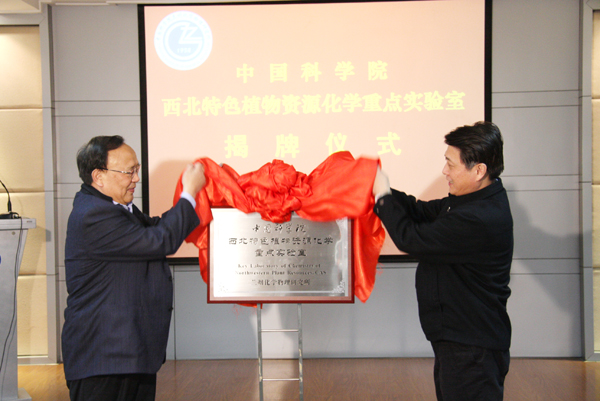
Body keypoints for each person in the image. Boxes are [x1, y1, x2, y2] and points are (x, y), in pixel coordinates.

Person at [372, 121, 513, 401]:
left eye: (450, 164)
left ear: (479, 170)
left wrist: (383, 198)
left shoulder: (479, 217)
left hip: (472, 346)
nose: (444, 171)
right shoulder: (471, 199)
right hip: (459, 341)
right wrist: (378, 189)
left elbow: (411, 239)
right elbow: (419, 210)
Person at [62, 135, 206, 401]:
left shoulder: (112, 207)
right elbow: (160, 240)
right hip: (104, 357)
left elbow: (155, 227)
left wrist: (198, 199)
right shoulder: (94, 214)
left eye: (137, 170)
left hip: (128, 352)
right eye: (129, 172)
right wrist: (189, 193)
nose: (136, 179)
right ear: (99, 176)